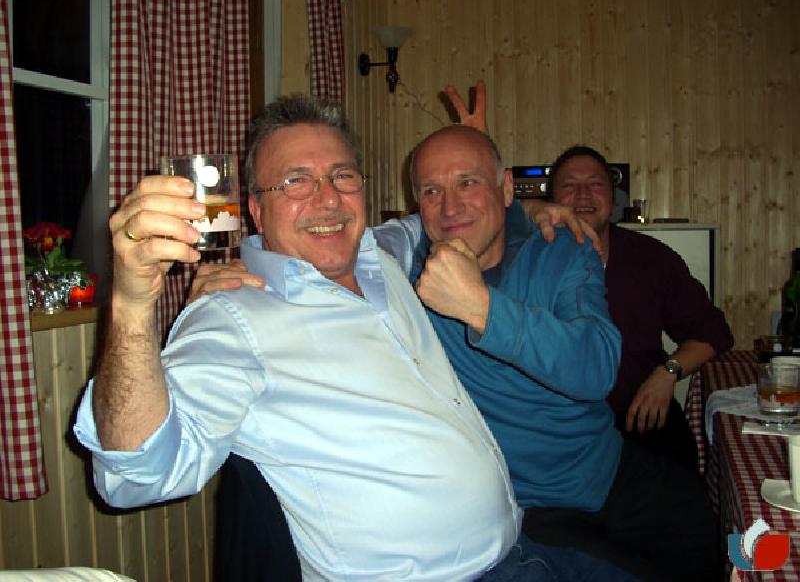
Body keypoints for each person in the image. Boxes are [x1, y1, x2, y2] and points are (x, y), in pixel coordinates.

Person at [72, 94, 635, 582]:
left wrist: (525, 205)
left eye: (342, 176)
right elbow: (137, 473)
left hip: (522, 550)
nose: (327, 199)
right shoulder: (232, 318)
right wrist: (132, 303)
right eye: (295, 181)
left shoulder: (384, 254)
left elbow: (453, 215)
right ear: (256, 210)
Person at [191, 117, 717, 580]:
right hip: (527, 509)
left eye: (469, 183)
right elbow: (325, 241)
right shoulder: (399, 271)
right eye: (432, 191)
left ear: (505, 188)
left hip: (603, 468)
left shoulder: (560, 249)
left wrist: (483, 306)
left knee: (707, 534)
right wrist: (244, 266)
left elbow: (596, 369)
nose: (451, 206)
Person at [547, 145, 735, 471]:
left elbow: (713, 332)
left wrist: (668, 372)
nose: (583, 194)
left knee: (683, 493)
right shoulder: (532, 261)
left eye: (595, 184)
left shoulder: (651, 258)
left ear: (613, 198)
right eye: (569, 185)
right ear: (551, 200)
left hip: (641, 418)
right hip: (560, 430)